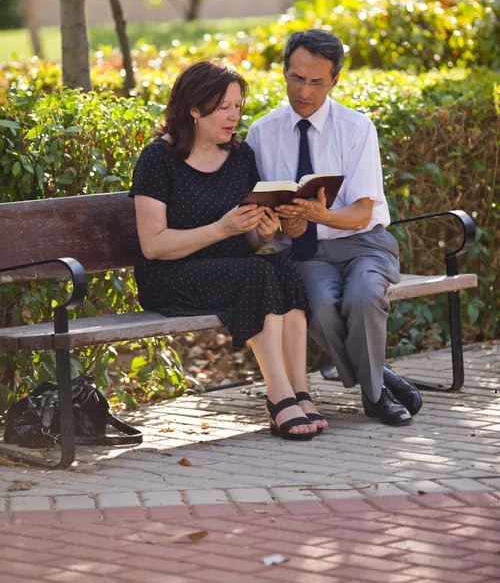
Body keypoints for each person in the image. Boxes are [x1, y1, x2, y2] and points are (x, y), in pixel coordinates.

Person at [129, 59, 328, 440]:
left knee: (282, 266)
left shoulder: (240, 156)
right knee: (256, 273)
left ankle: (300, 390)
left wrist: (263, 234)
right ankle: (278, 395)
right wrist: (221, 229)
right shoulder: (159, 159)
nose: (233, 116)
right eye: (223, 107)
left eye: (237, 106)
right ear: (193, 108)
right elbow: (153, 246)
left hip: (227, 269)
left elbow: (248, 238)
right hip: (170, 274)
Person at [245, 30, 422, 426]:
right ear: (284, 72)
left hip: (364, 244)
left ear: (335, 81)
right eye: (296, 78)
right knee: (321, 309)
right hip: (308, 252)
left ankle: (374, 396)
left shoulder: (356, 128)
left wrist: (318, 215)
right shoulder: (262, 132)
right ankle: (382, 376)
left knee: (362, 296)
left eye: (316, 82)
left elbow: (362, 212)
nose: (303, 91)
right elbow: (263, 203)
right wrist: (283, 221)